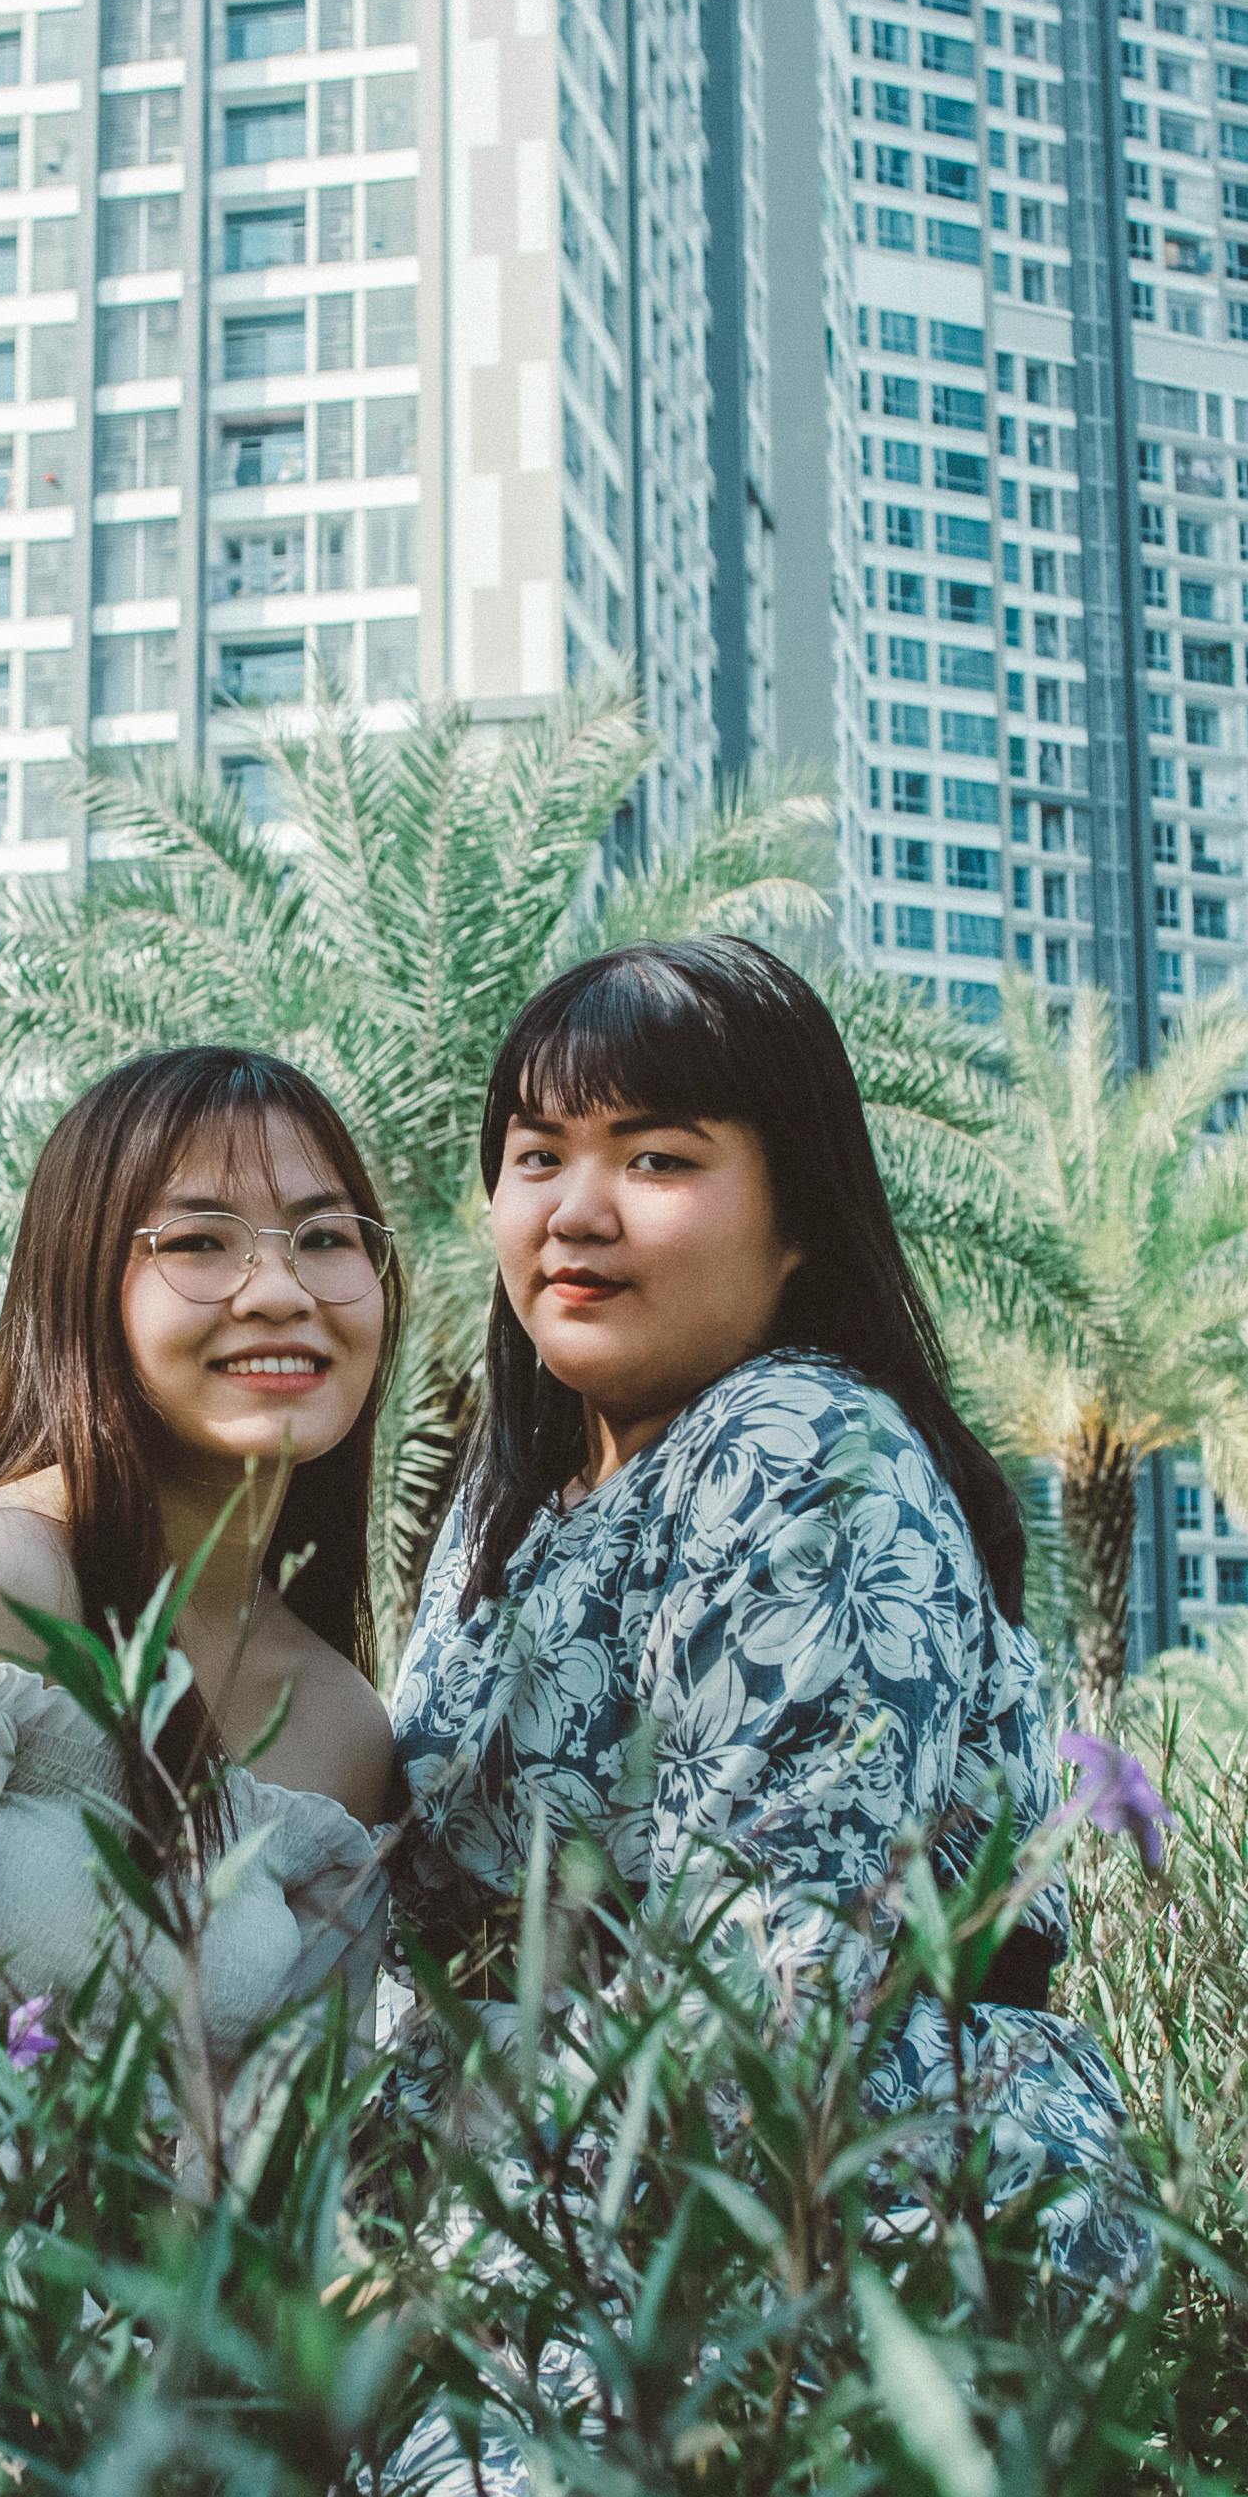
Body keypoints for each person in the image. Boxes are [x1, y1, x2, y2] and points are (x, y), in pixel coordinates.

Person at [388, 936, 1145, 2289]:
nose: (575, 1210)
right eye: (537, 1154)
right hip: (563, 2203)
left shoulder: (797, 1446)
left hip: (815, 2245)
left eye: (658, 1157)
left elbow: (766, 1986)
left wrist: (423, 2277)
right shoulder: (510, 1498)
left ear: (800, 1217)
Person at [0, 1048, 406, 2210]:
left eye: (324, 1236)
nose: (280, 1291)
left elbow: (301, 2172)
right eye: (200, 1241)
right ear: (84, 1285)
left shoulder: (343, 1723)